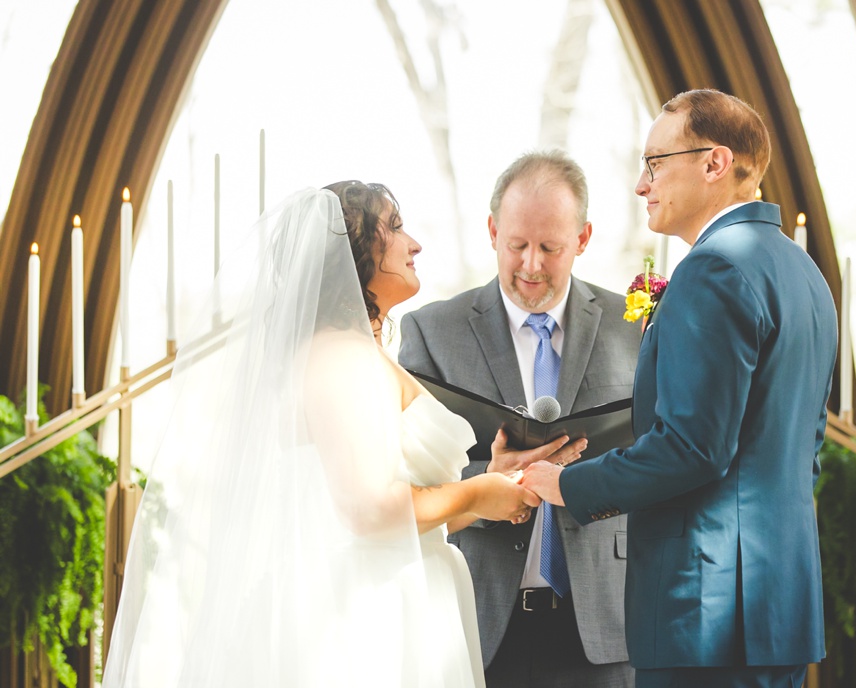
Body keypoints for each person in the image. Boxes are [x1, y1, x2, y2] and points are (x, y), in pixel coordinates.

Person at [103, 182, 582, 687]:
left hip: (403, 594)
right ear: (352, 252)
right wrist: (475, 492)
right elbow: (369, 511)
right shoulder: (340, 358)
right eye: (395, 228)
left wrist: (490, 484)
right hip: (366, 617)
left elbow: (391, 511)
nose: (414, 244)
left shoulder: (356, 351)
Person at [520, 89, 837, 688]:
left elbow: (693, 447)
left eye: (656, 162)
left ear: (714, 163)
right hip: (777, 607)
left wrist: (568, 484)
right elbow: (804, 448)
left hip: (706, 614)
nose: (642, 184)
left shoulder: (714, 268)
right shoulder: (803, 271)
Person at [400, 151, 639, 687]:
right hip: (478, 626)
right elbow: (401, 481)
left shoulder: (635, 328)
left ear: (583, 239)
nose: (531, 265)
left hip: (605, 623)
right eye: (517, 245)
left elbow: (654, 456)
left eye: (550, 248)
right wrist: (491, 480)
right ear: (491, 231)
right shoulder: (431, 333)